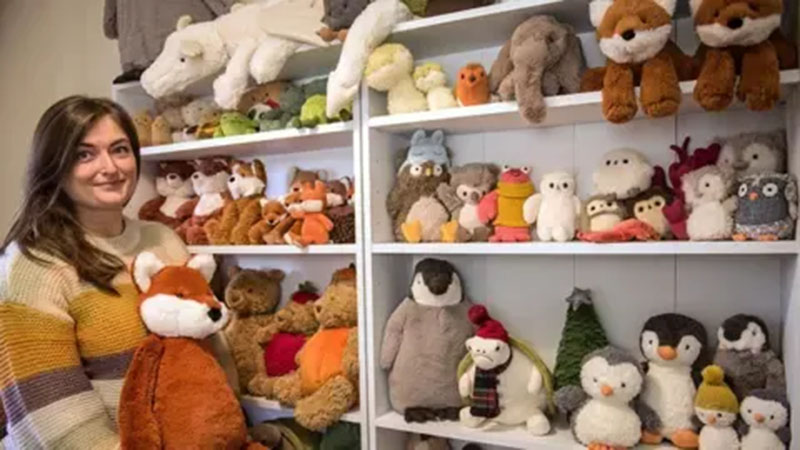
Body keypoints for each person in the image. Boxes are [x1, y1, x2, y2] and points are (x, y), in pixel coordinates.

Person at [0, 96, 236, 448]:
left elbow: (206, 348)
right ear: (55, 166)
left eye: (120, 149)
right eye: (85, 154)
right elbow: (53, 420)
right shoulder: (34, 264)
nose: (109, 167)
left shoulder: (164, 241)